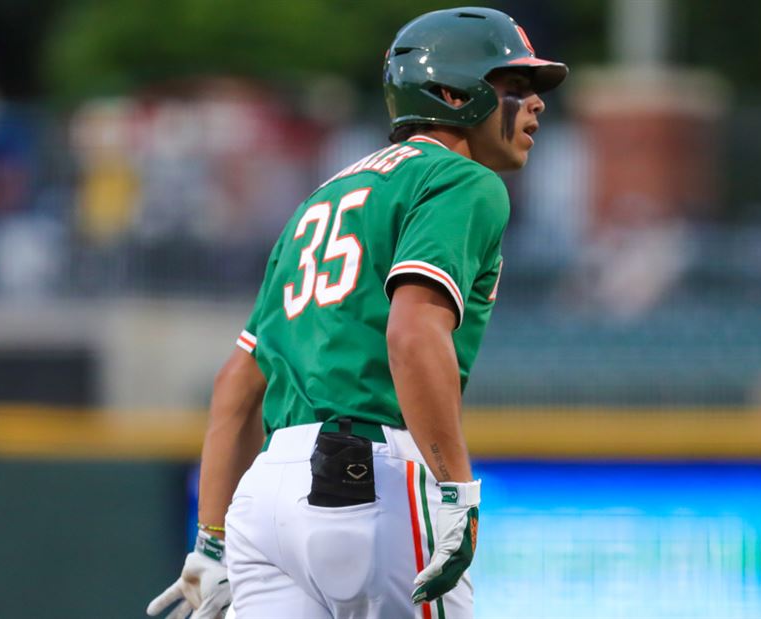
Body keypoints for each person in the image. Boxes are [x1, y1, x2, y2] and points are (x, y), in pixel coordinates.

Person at [146, 7, 566, 619]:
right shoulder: (460, 180)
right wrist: (454, 488)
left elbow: (238, 382)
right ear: (452, 93)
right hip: (370, 477)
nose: (536, 104)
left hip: (264, 499)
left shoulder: (321, 199)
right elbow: (414, 330)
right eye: (515, 86)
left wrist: (212, 539)